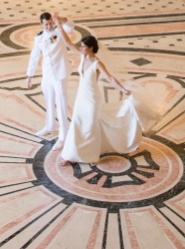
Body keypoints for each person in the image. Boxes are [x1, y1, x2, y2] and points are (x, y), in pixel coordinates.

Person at [58, 33, 142, 165]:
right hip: (81, 97)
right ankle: (70, 155)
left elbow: (110, 78)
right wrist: (59, 24)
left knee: (91, 125)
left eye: (84, 46)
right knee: (77, 123)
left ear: (91, 48)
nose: (81, 48)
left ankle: (91, 156)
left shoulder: (97, 63)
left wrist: (124, 89)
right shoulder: (82, 56)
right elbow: (68, 43)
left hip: (92, 98)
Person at [25, 11, 76, 141]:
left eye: (50, 23)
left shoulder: (59, 31)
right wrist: (29, 75)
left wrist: (61, 19)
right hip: (47, 74)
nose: (49, 26)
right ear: (42, 25)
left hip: (59, 73)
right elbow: (34, 56)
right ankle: (50, 126)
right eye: (46, 25)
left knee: (61, 103)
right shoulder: (39, 37)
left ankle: (64, 134)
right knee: (49, 101)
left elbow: (71, 25)